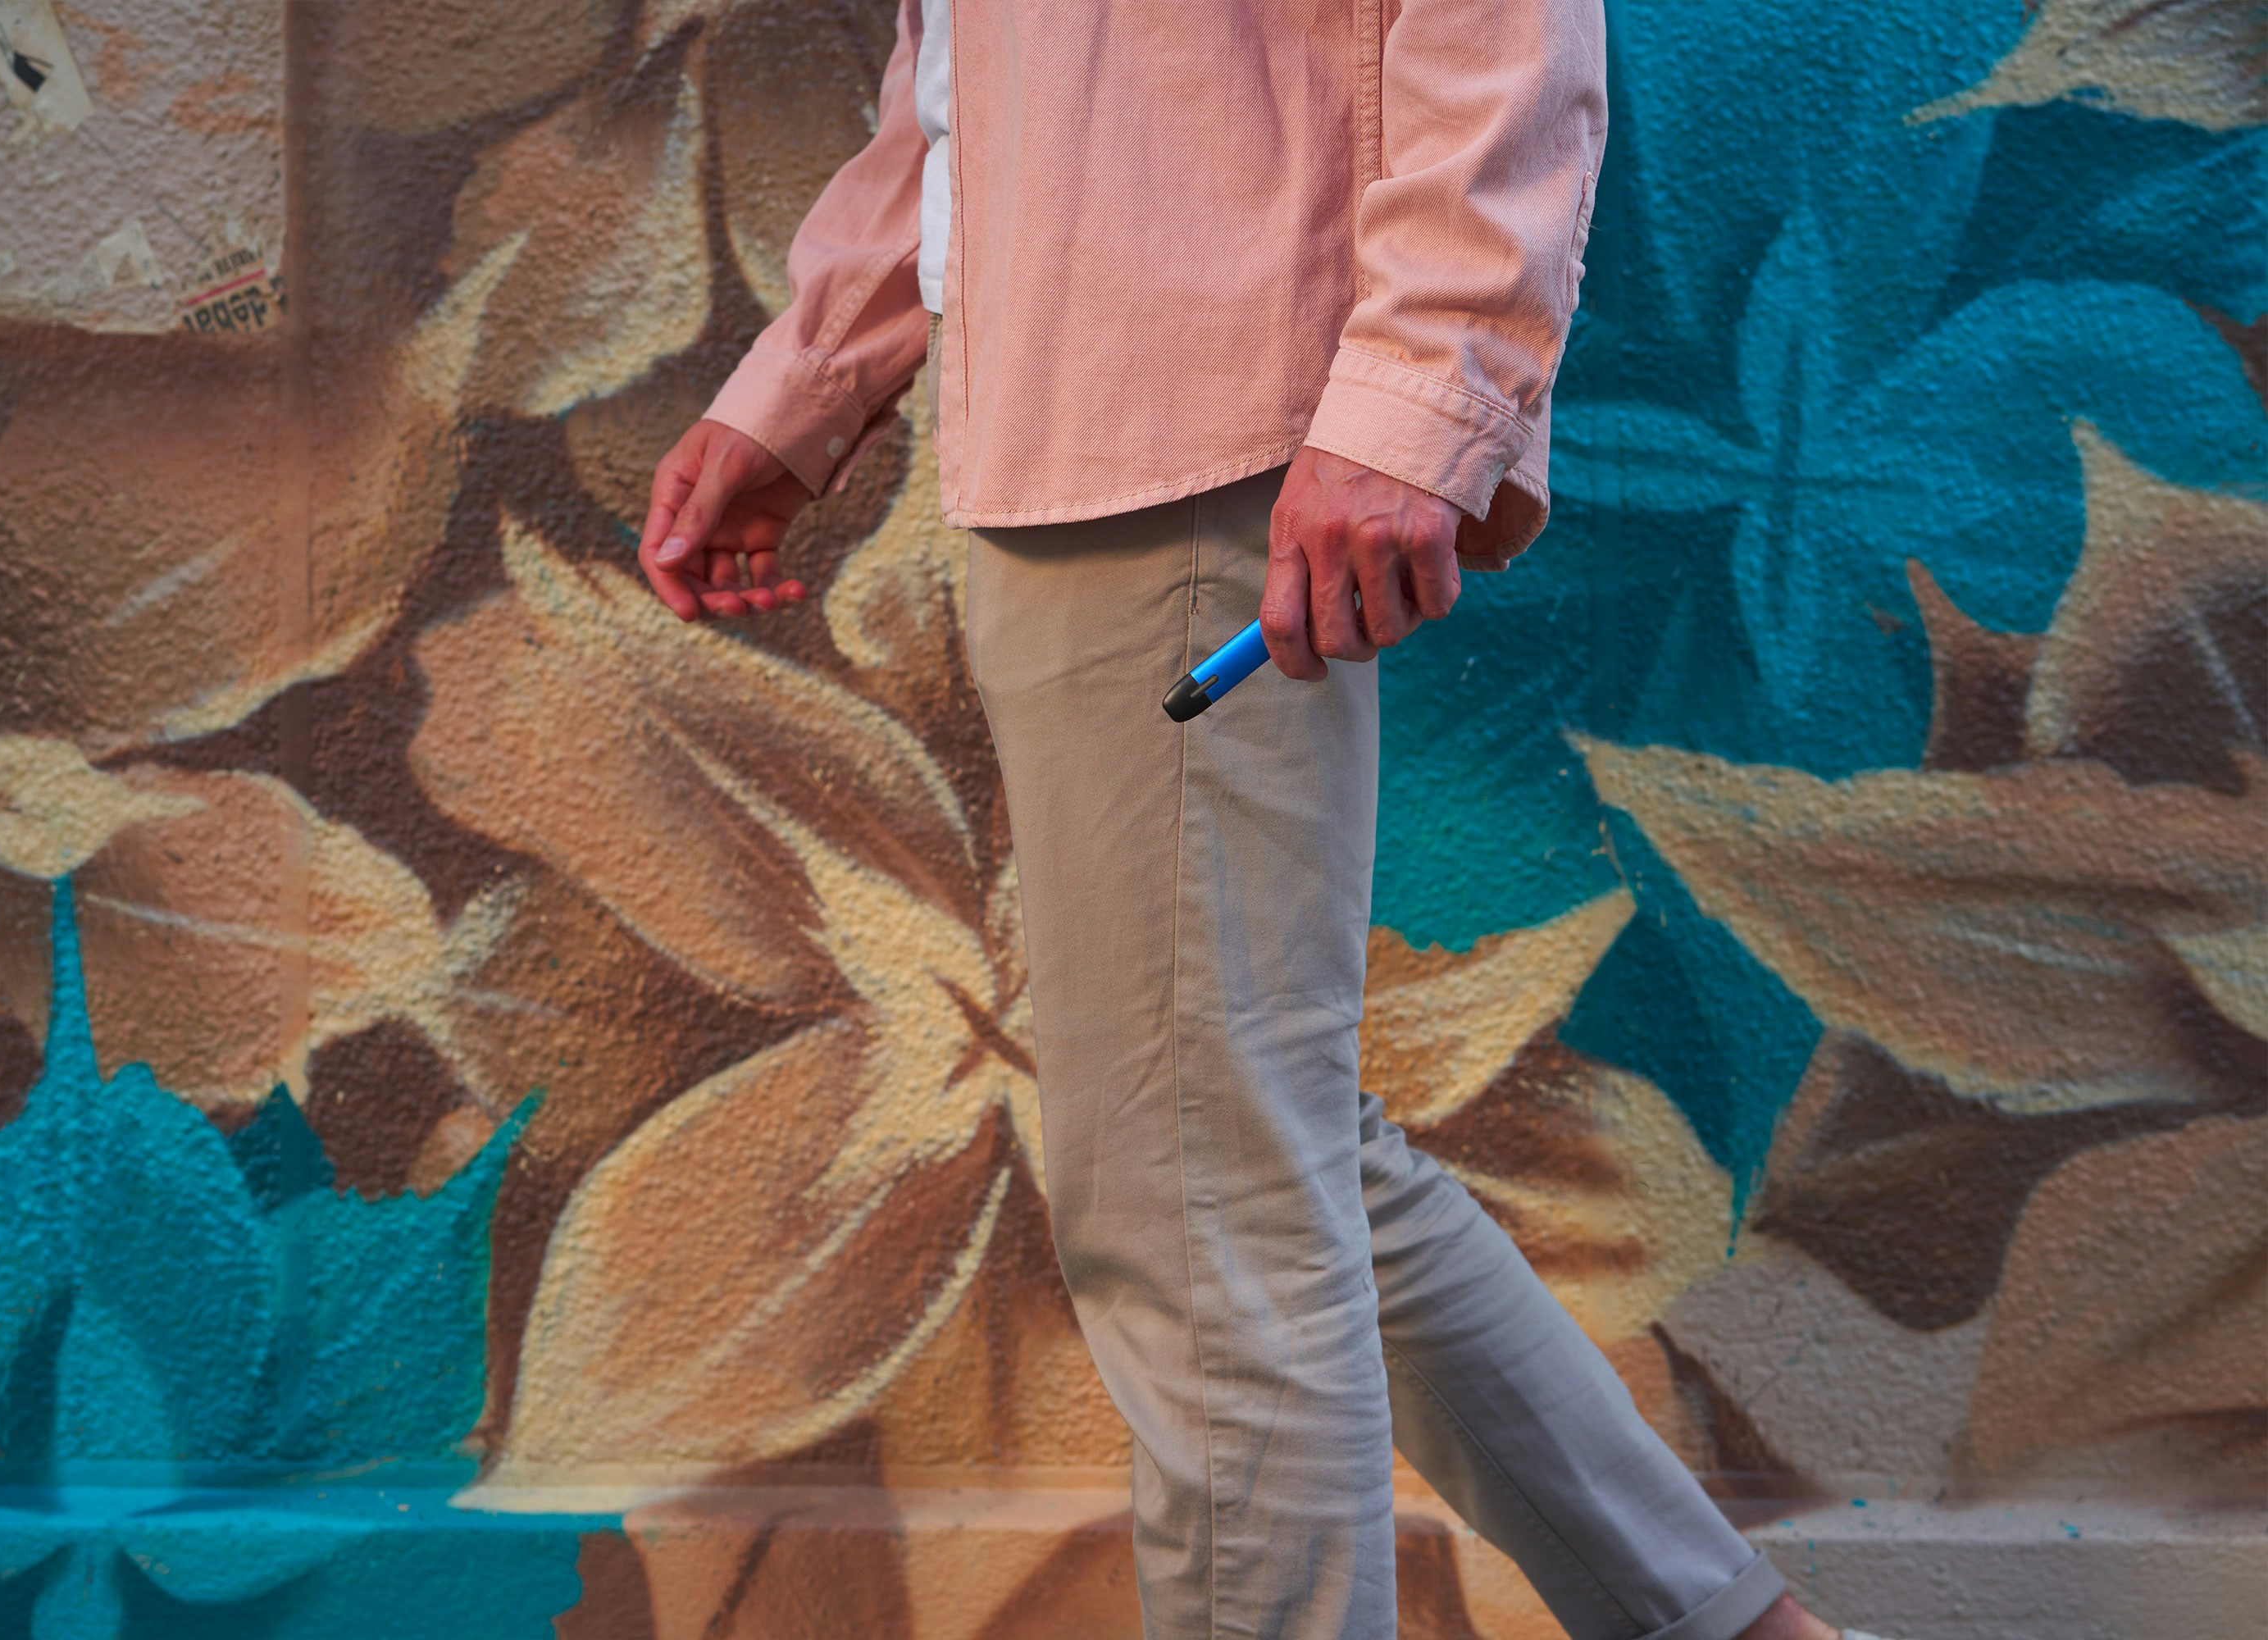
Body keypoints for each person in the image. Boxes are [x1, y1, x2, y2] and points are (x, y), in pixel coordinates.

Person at [637, 4, 1867, 1638]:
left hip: (1190, 421)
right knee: (1247, 1145)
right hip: (1075, 417)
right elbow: (971, 69)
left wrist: (1427, 385)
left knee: (1206, 1189)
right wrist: (812, 368)